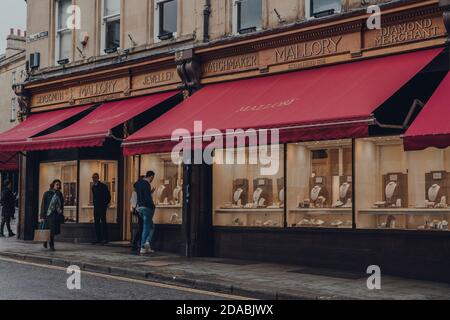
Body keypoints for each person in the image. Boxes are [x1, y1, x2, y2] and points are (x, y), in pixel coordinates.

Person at [134, 171, 156, 255]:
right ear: (150, 176)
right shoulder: (146, 184)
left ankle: (147, 244)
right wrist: (152, 206)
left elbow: (138, 189)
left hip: (140, 208)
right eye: (152, 178)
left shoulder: (139, 183)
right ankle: (143, 246)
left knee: (150, 226)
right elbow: (147, 197)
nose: (152, 180)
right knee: (147, 227)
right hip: (147, 208)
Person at [40, 180, 64, 251]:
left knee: (52, 231)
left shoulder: (59, 194)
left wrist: (61, 211)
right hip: (48, 215)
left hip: (56, 215)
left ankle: (48, 242)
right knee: (49, 230)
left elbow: (62, 204)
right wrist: (42, 216)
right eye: (57, 184)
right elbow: (43, 205)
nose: (58, 186)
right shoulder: (47, 193)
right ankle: (50, 244)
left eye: (59, 185)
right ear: (53, 185)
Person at [91, 173, 111, 245]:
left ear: (98, 178)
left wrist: (105, 204)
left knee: (103, 222)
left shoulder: (103, 186)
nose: (94, 179)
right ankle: (98, 238)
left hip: (102, 207)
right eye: (93, 178)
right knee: (96, 223)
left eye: (95, 177)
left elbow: (108, 196)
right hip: (96, 207)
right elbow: (94, 197)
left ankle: (105, 238)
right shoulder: (93, 187)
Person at [130, 183, 144, 253]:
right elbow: (133, 203)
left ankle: (136, 243)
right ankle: (135, 243)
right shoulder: (135, 193)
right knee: (141, 228)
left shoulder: (137, 192)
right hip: (139, 211)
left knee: (140, 228)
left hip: (140, 211)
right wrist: (137, 209)